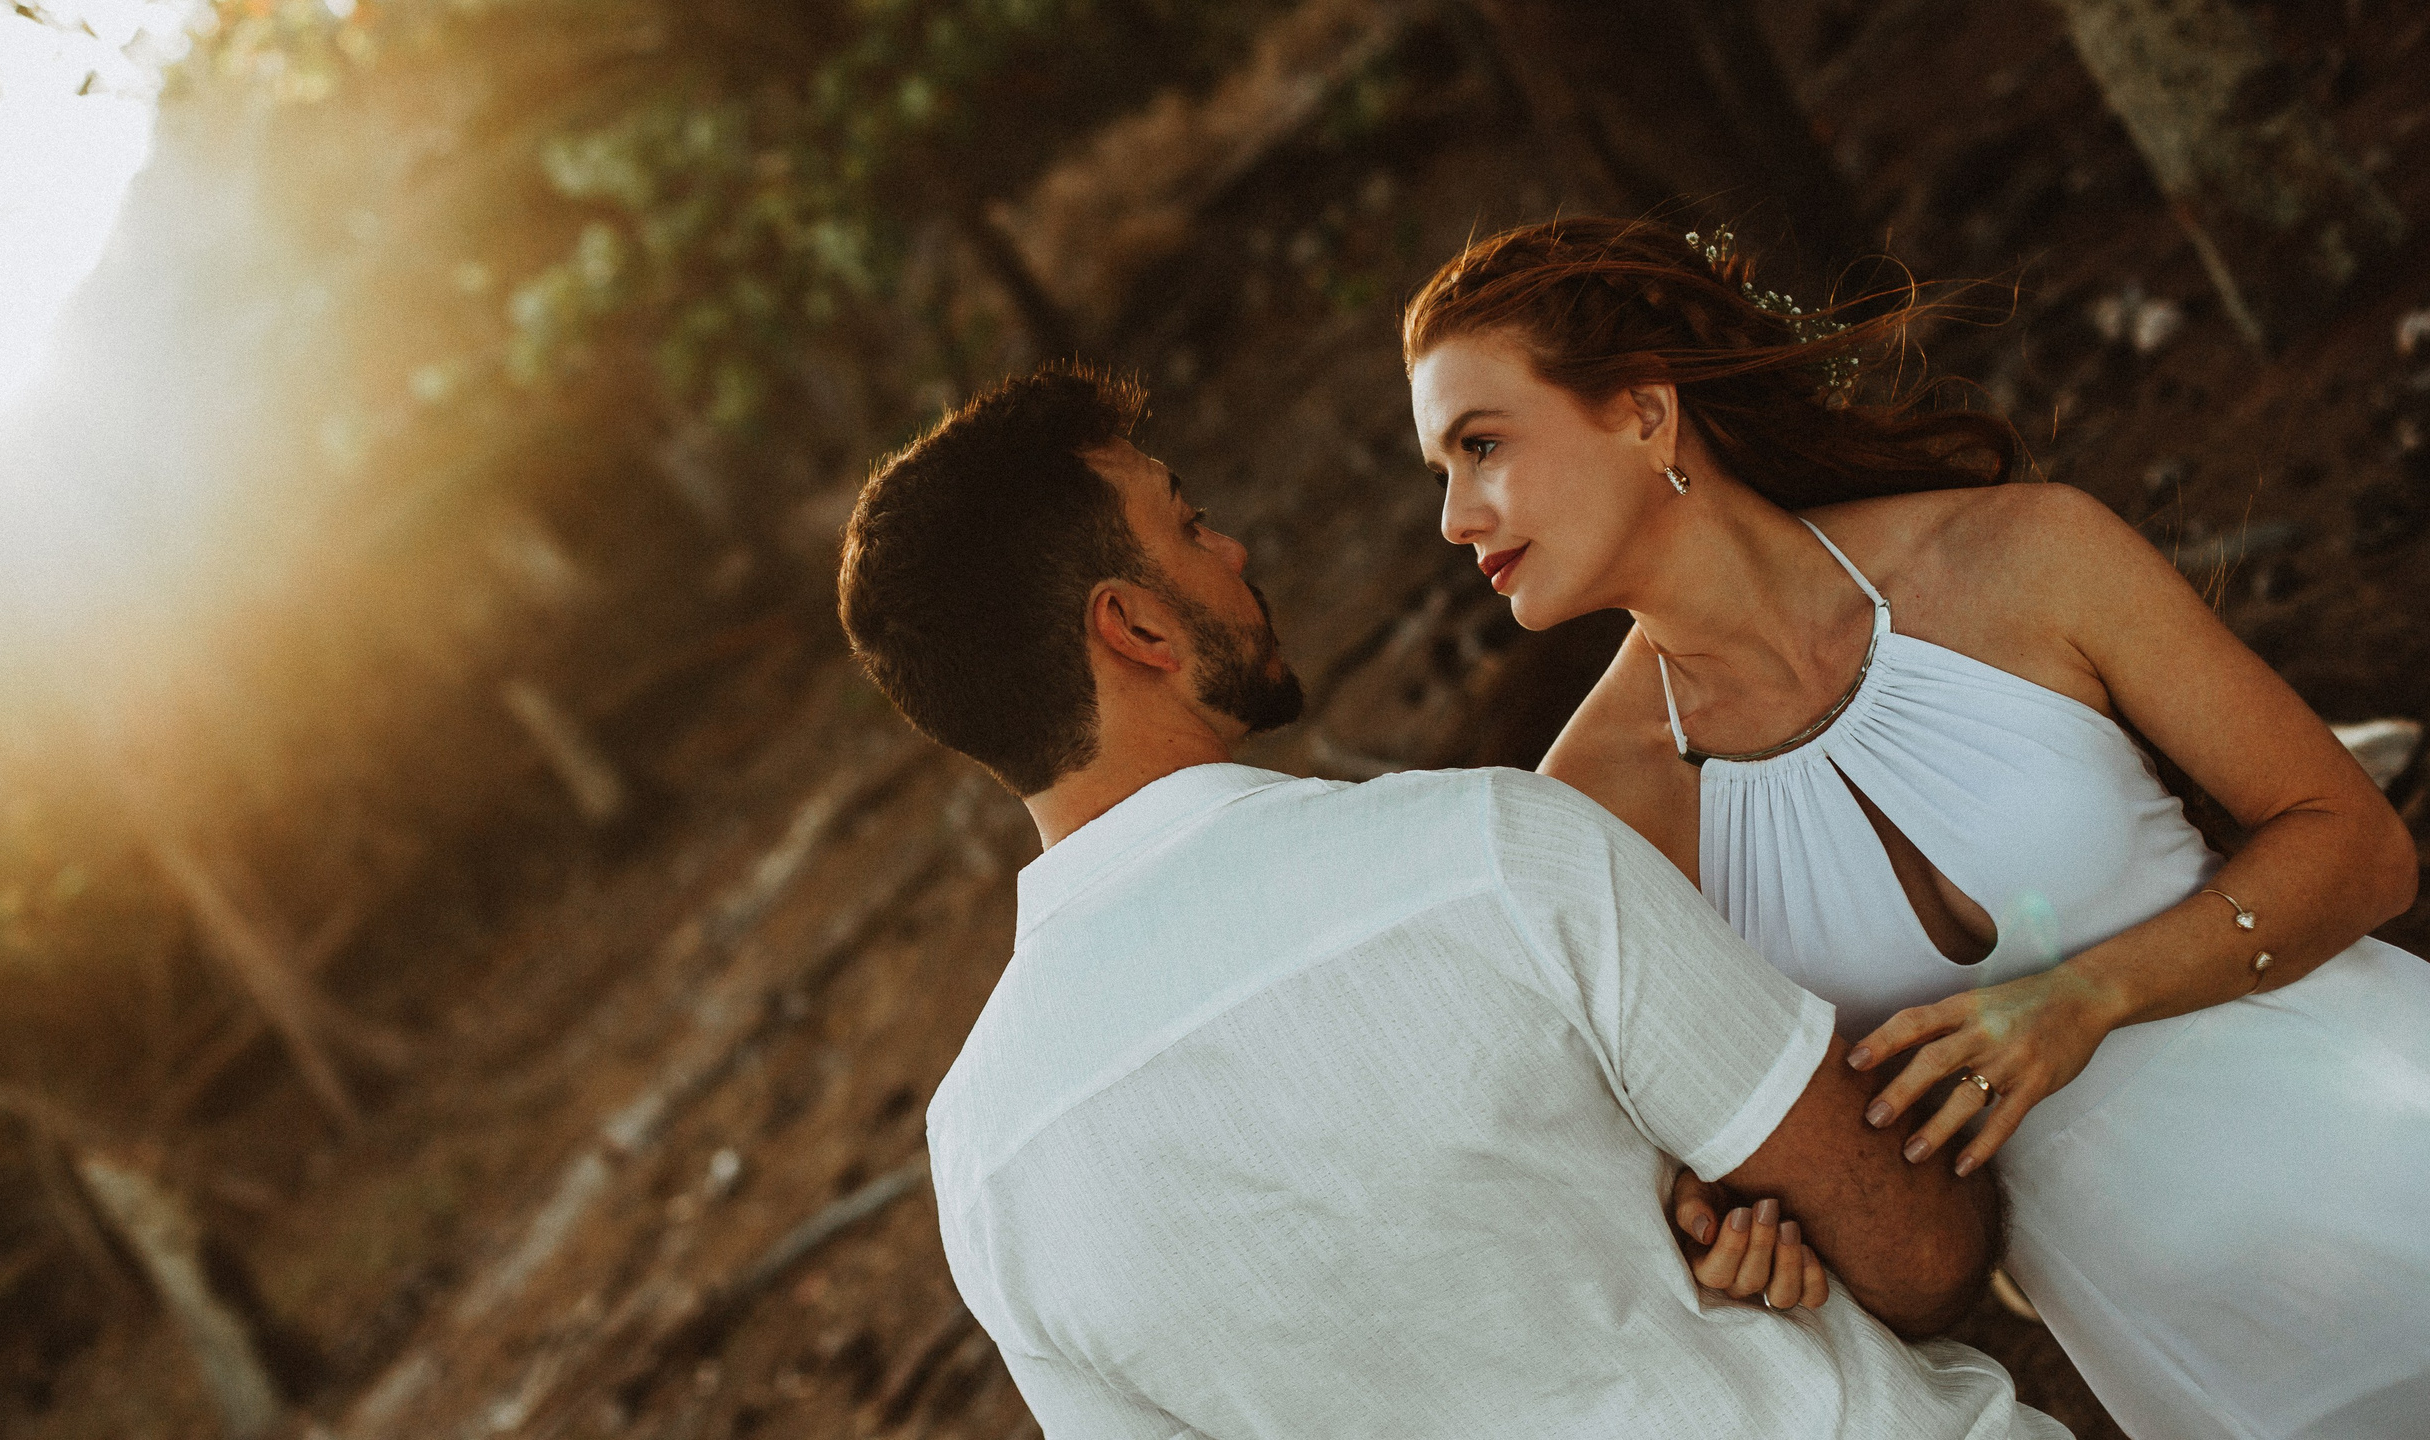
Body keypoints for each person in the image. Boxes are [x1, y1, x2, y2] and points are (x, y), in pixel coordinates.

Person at [838, 364, 2069, 1438]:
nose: (1235, 549)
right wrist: (1749, 1210)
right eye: (1192, 526)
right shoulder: (1488, 852)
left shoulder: (987, 1162)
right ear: (1138, 628)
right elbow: (1921, 1252)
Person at [1403, 217, 2430, 1440]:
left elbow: (2357, 847)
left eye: (1482, 446)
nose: (1459, 517)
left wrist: (2085, 1000)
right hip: (2200, 1354)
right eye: (1441, 473)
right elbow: (1732, 1185)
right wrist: (1747, 1246)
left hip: (2392, 1136)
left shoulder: (2023, 554)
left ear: (1642, 412)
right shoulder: (1596, 814)